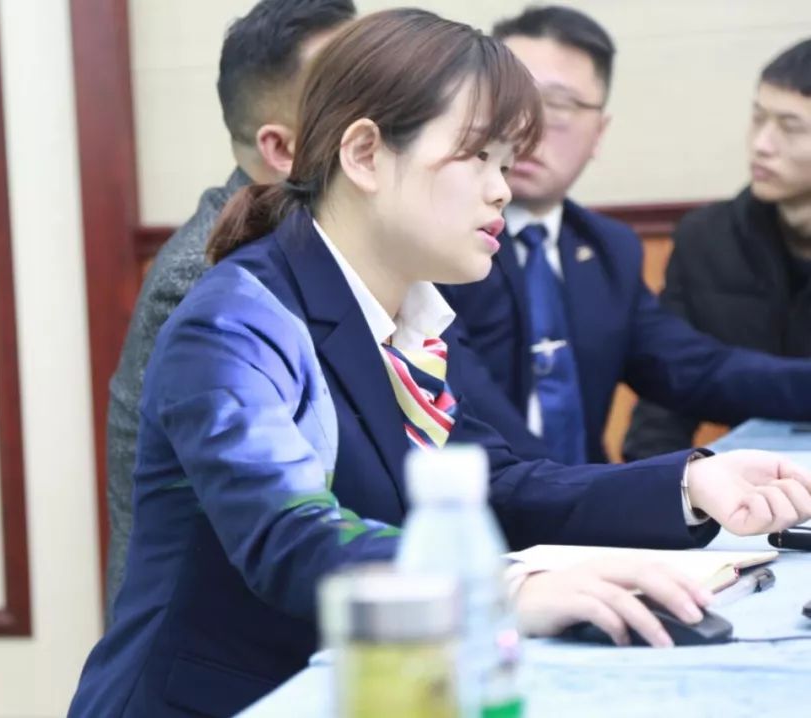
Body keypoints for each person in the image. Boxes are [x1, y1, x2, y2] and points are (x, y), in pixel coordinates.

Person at [69, 11, 811, 717]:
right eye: (478, 156)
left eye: (507, 161)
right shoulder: (237, 317)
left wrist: (689, 484)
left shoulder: (402, 310)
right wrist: (506, 587)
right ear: (365, 154)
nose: (501, 187)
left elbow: (491, 483)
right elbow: (290, 537)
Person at [442, 5, 811, 465]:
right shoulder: (436, 245)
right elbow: (468, 414)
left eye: (556, 106)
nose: (525, 126)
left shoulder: (606, 250)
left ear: (599, 132)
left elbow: (696, 370)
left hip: (585, 498)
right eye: (510, 102)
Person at [104, 0, 358, 620]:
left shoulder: (324, 247)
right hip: (208, 642)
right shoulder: (210, 279)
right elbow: (277, 519)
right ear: (280, 146)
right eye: (350, 92)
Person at [624, 38, 811, 460]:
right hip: (755, 480)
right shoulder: (706, 238)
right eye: (758, 118)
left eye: (790, 127)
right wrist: (657, 486)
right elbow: (667, 394)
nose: (762, 143)